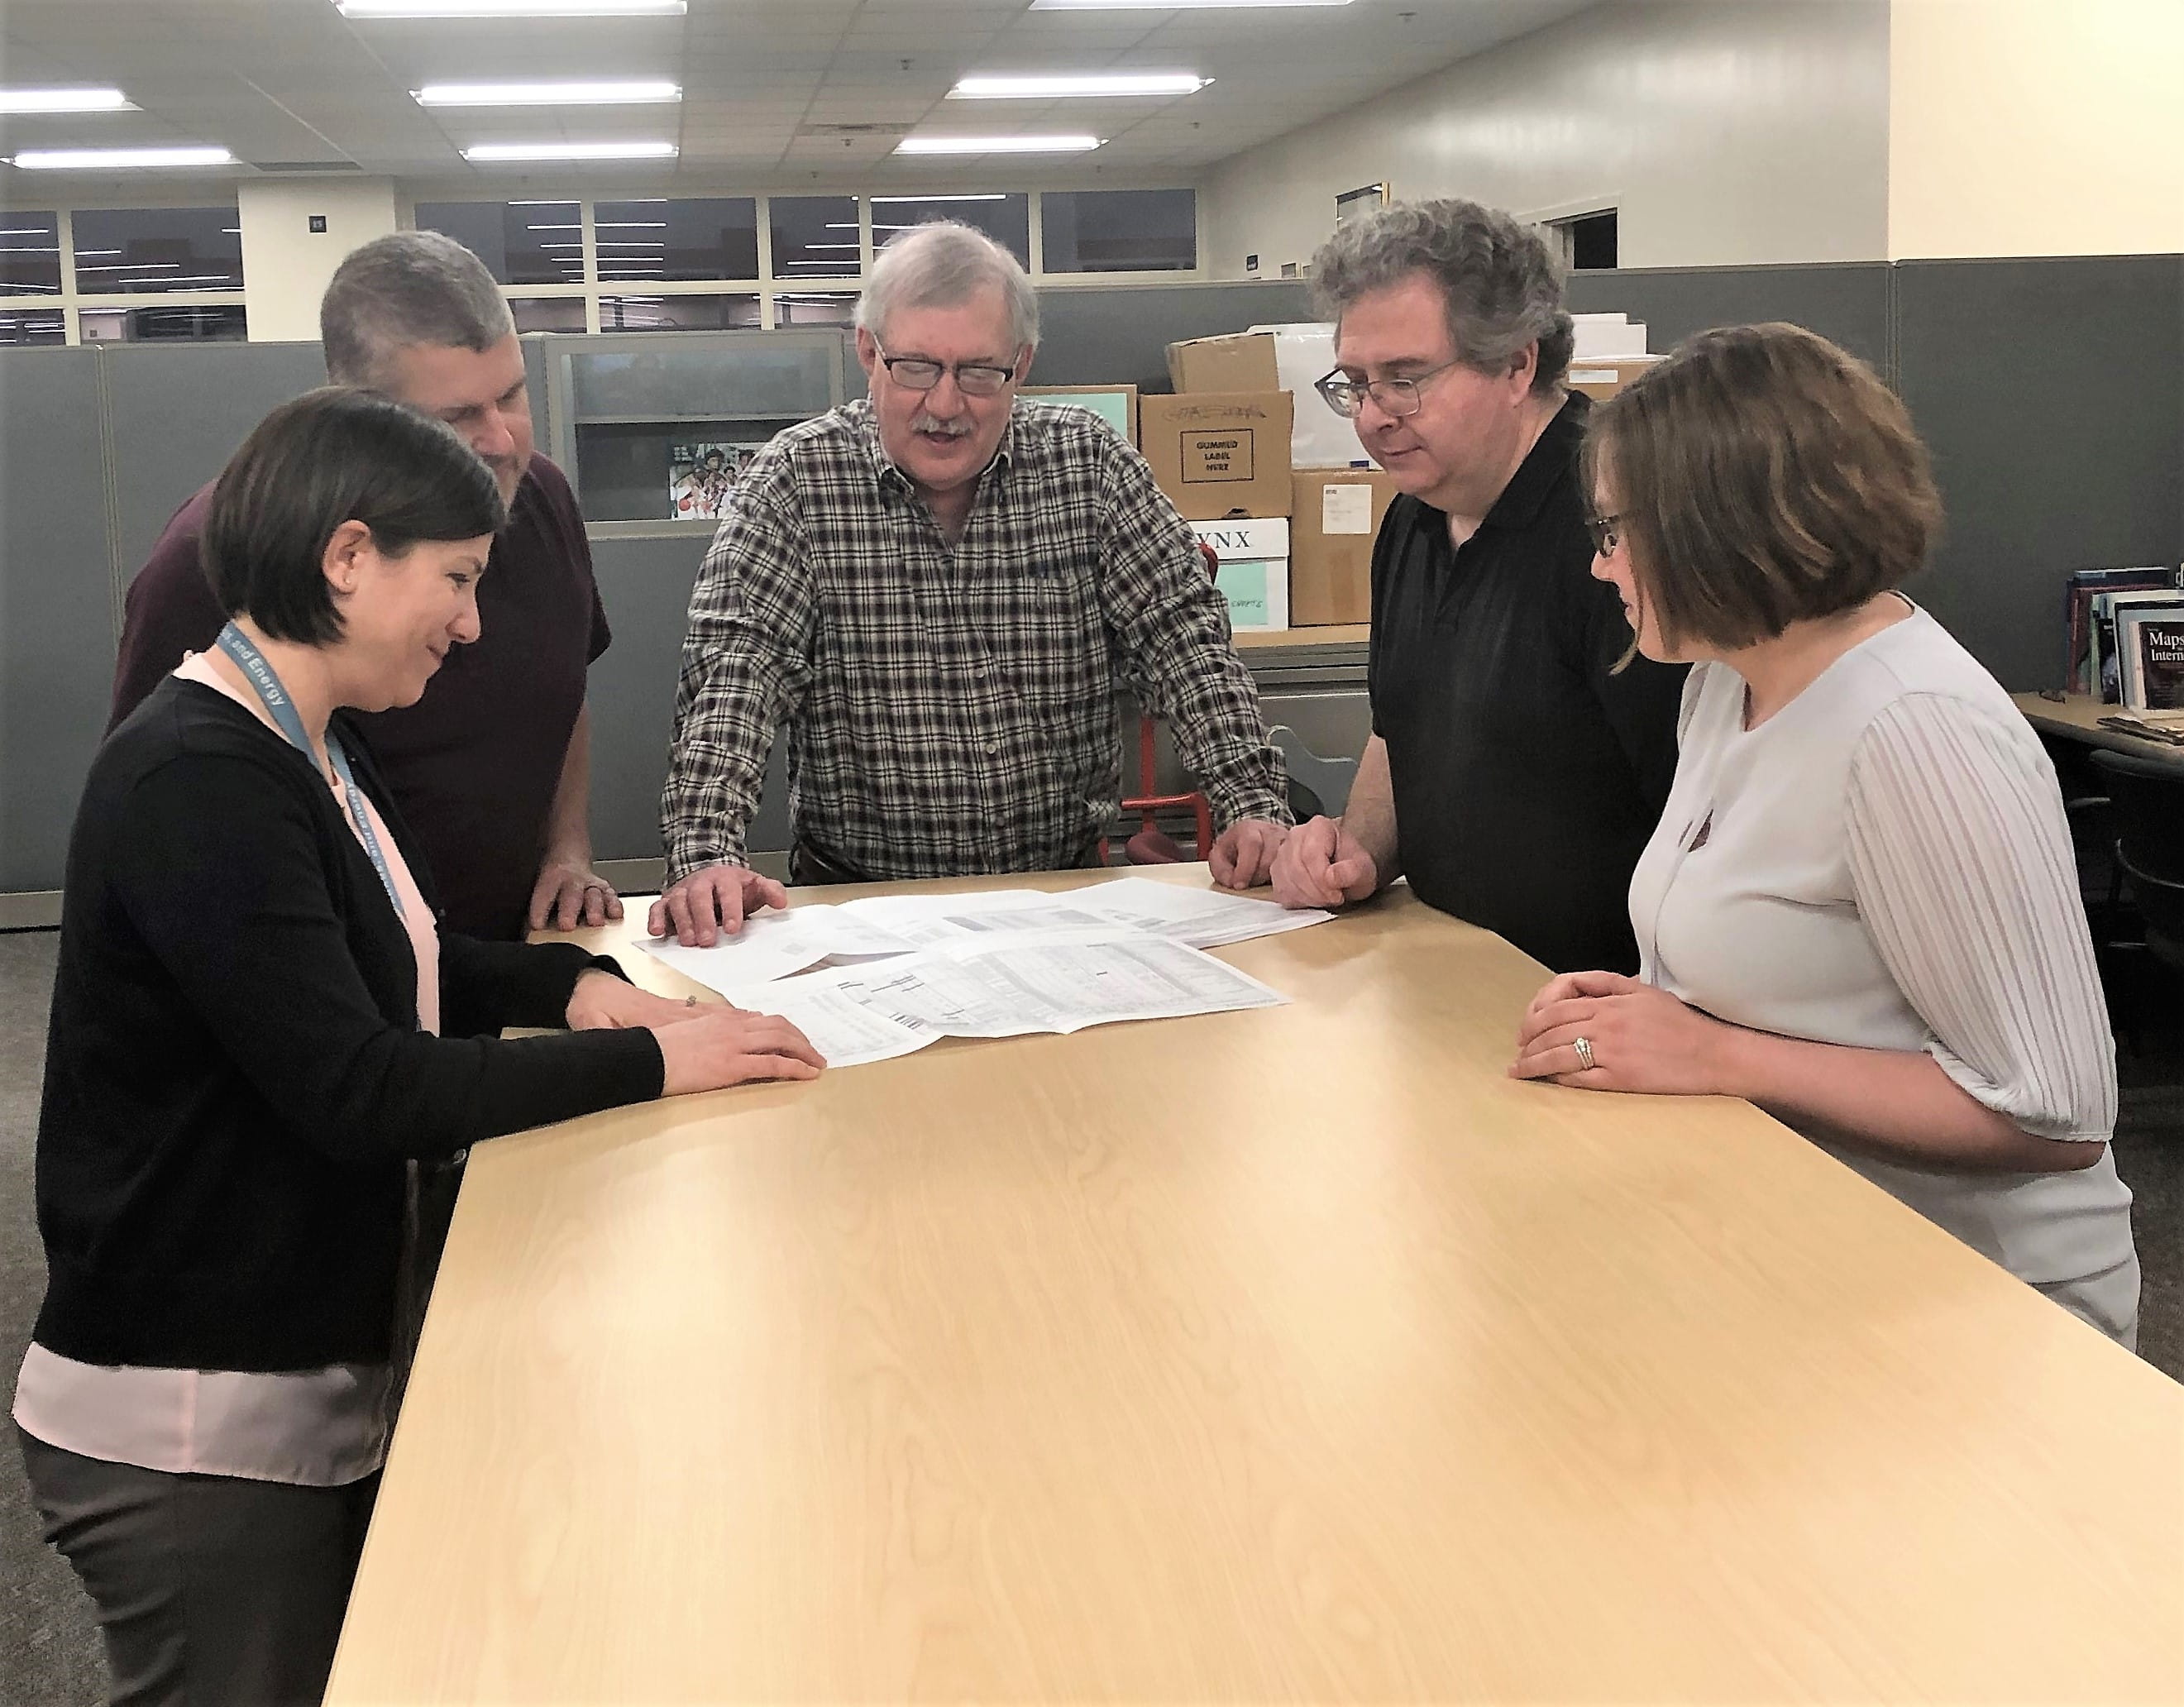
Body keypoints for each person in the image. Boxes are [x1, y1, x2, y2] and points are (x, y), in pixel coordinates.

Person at [14, 387, 823, 1707]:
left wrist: (576, 988)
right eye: (452, 579)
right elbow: (363, 1085)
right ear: (345, 559)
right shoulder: (197, 779)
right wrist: (654, 1062)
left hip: (302, 1366)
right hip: (194, 1423)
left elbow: (413, 961)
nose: (473, 621)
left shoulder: (308, 738)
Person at [1511, 323, 2139, 1346]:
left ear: (1724, 527)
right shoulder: (1725, 679)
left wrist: (1716, 1052)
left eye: (1619, 532)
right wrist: (1656, 1008)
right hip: (1794, 1236)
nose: (1601, 568)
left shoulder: (1912, 729)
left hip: (1978, 1304)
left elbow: (2055, 1115)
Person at [653, 220, 1291, 946]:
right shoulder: (794, 485)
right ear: (868, 352)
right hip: (862, 910)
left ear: (1021, 364)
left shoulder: (1089, 467)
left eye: (979, 372)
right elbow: (734, 677)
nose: (947, 405)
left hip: (1068, 898)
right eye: (917, 367)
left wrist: (1252, 804)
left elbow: (1185, 641)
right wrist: (706, 856)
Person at [109, 229, 621, 942]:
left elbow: (563, 691)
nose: (501, 440)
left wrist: (568, 851)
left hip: (505, 957)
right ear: (359, 411)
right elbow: (154, 809)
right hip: (328, 973)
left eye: (510, 396)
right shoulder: (217, 555)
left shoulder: (540, 497)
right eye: (456, 418)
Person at [1269, 199, 1687, 975]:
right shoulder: (1413, 518)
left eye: (1404, 381)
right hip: (1446, 980)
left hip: (1594, 1006)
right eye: (1355, 384)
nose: (1371, 417)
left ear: (1516, 363)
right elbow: (1401, 732)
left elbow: (1699, 818)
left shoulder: (1617, 527)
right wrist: (1356, 848)